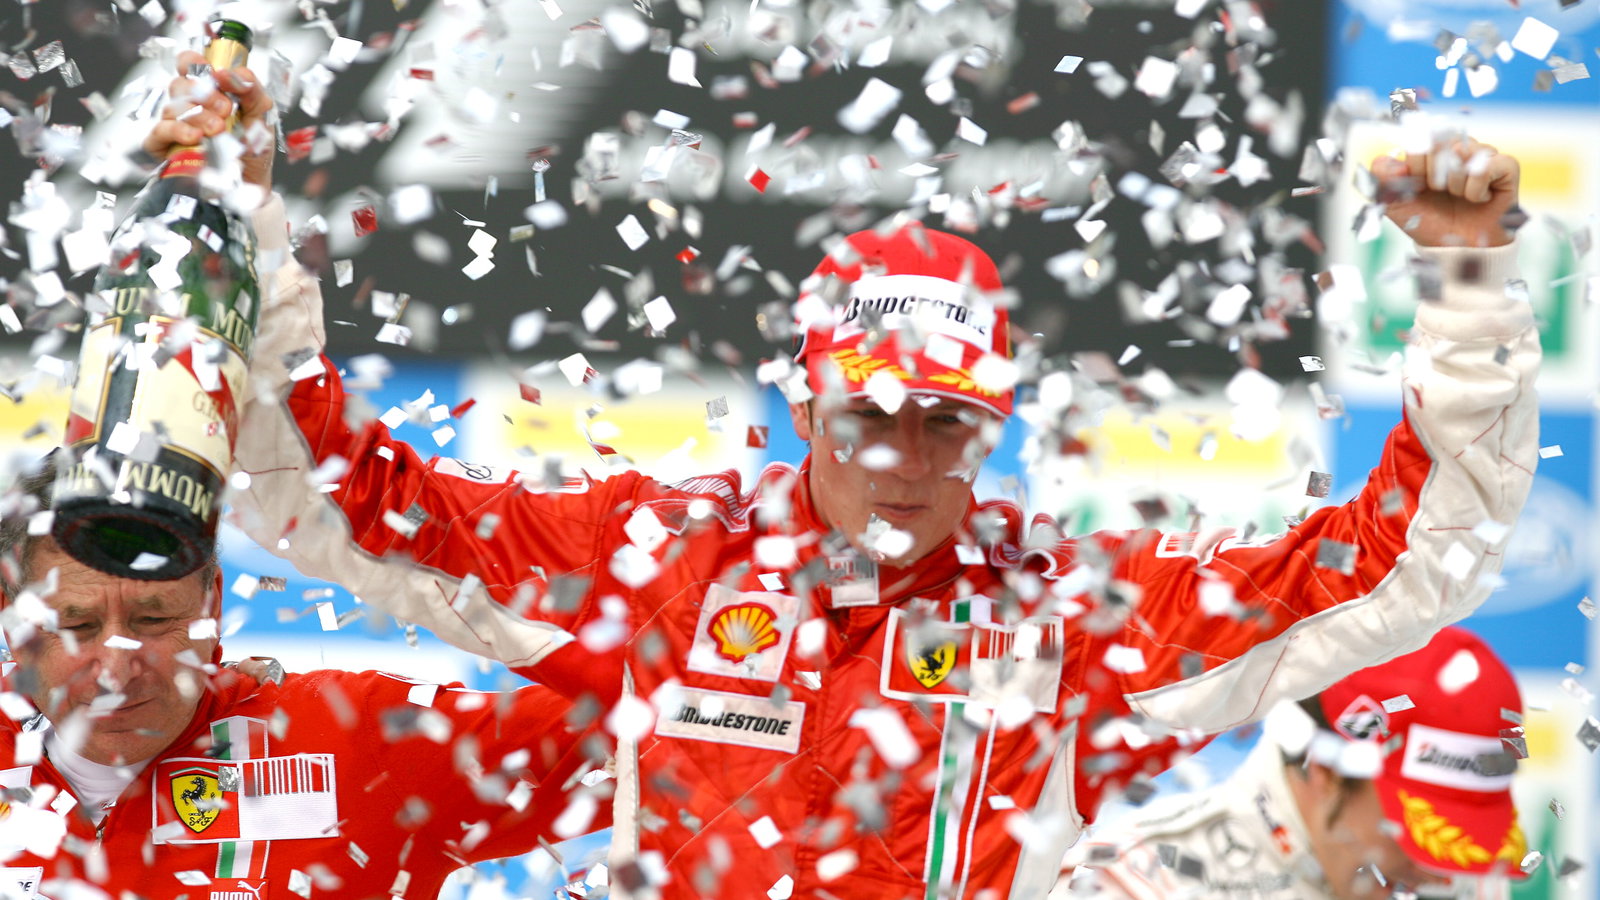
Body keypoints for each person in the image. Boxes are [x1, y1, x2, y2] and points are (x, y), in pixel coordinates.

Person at [149, 50, 1541, 900]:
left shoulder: (1074, 620)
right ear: (807, 399)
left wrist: (1471, 288)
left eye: (946, 423)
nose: (902, 455)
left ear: (992, 427)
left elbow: (1411, 558)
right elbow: (336, 504)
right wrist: (251, 226)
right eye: (866, 415)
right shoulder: (660, 565)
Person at [0, 463, 603, 900]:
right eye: (73, 625)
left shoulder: (363, 739)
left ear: (212, 603)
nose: (115, 668)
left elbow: (657, 728)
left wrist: (542, 632)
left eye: (154, 620)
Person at [1051, 626, 1528, 899]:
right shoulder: (1138, 885)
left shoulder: (1468, 883)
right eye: (1416, 840)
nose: (1442, 876)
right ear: (1325, 773)